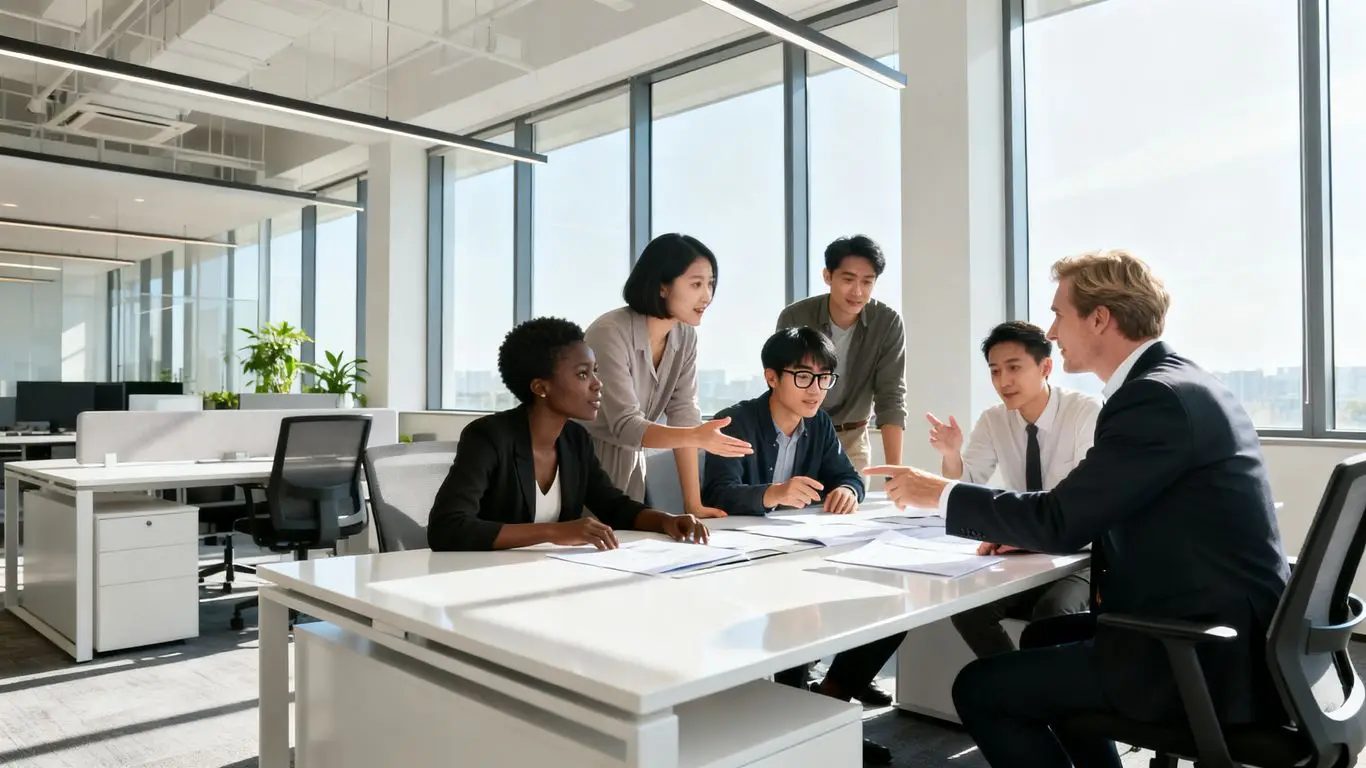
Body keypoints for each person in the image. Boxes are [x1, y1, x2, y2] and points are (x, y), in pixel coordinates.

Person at [865, 250, 1290, 767]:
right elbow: (1100, 510)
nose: (1052, 329)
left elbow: (1062, 518)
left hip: (1204, 654)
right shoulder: (1180, 382)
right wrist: (1038, 529)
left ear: (1100, 318)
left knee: (981, 688)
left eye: (1058, 314)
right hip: (1225, 628)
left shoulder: (1151, 399)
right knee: (1044, 636)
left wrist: (942, 492)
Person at [702, 327, 902, 765]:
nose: (817, 389)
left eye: (825, 377)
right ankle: (800, 727)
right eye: (804, 377)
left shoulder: (820, 426)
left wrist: (850, 491)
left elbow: (846, 475)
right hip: (743, 558)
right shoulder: (736, 421)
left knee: (892, 606)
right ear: (772, 377)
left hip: (803, 550)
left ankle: (826, 708)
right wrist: (771, 493)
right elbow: (716, 492)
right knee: (792, 609)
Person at [427, 317, 708, 552]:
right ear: (540, 387)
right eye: (583, 374)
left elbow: (613, 506)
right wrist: (553, 532)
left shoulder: (575, 439)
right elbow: (447, 528)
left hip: (549, 576)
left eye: (595, 371)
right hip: (482, 581)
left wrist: (666, 521)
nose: (598, 384)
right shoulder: (488, 437)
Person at [926, 320, 1100, 659]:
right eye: (994, 371)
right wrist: (951, 455)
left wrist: (1023, 535)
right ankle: (1010, 684)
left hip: (1082, 555)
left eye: (1014, 368)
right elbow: (968, 483)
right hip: (1026, 552)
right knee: (968, 608)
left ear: (1045, 367)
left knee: (1053, 613)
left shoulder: (1085, 413)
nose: (1003, 381)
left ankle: (1042, 700)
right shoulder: (994, 419)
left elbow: (1086, 508)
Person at [583, 234, 752, 518]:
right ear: (663, 286)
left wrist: (693, 505)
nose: (707, 296)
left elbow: (684, 413)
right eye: (696, 284)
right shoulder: (610, 332)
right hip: (585, 462)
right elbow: (626, 425)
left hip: (631, 463)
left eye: (710, 284)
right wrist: (696, 437)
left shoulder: (685, 336)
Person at [775, 235, 906, 471]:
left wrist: (894, 473)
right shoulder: (795, 318)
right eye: (848, 279)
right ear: (828, 276)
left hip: (853, 439)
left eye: (867, 282)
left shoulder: (887, 323)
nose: (857, 291)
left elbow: (891, 397)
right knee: (792, 505)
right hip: (799, 435)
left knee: (848, 503)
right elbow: (782, 385)